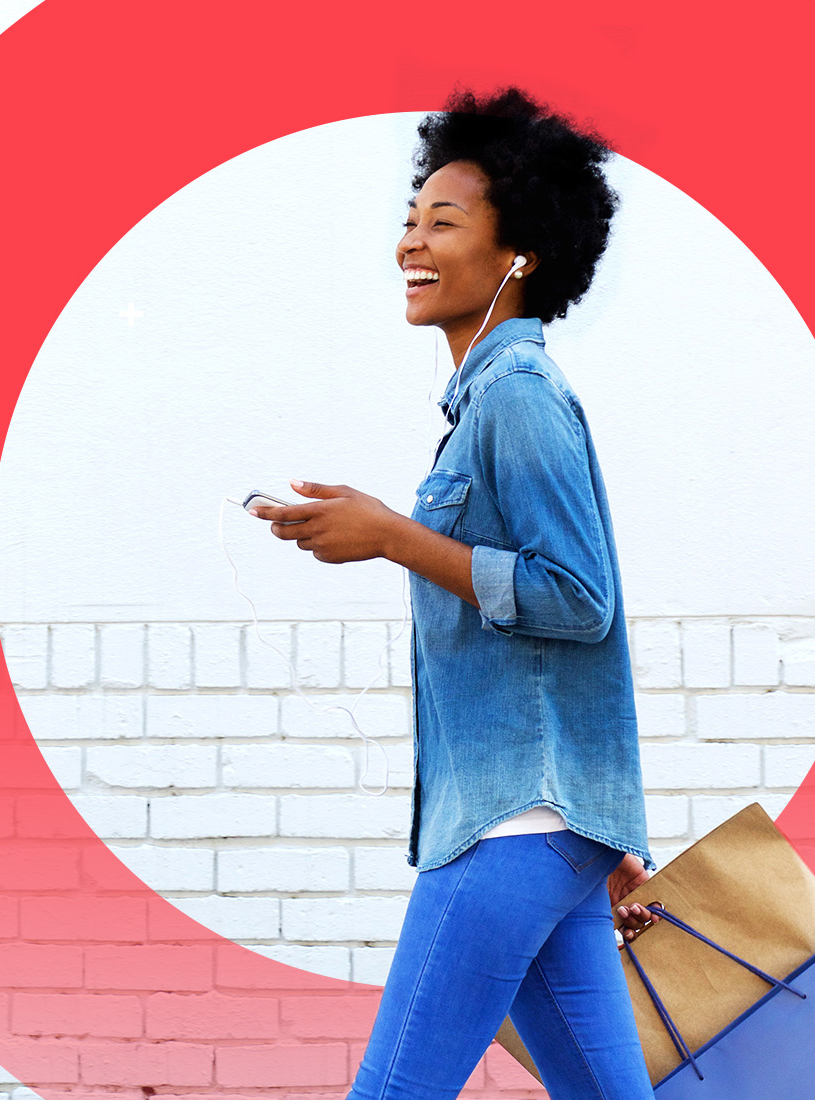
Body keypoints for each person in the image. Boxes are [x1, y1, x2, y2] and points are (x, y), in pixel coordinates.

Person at [245, 86, 653, 1100]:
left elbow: (578, 598)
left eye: (444, 222)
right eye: (409, 221)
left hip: (508, 825)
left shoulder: (517, 397)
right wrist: (588, 828)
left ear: (521, 255)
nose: (410, 246)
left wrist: (393, 535)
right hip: (541, 823)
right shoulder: (486, 403)